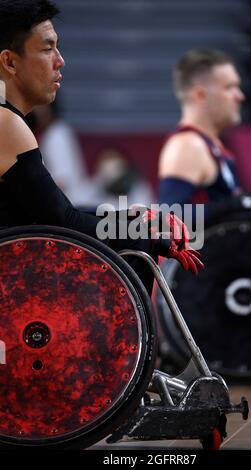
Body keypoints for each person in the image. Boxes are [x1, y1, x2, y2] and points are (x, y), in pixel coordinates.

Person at [0, 0, 202, 295]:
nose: (60, 60)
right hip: (15, 288)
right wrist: (142, 231)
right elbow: (63, 222)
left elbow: (54, 214)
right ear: (10, 62)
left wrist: (133, 217)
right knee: (137, 246)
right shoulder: (6, 123)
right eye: (47, 49)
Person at [158, 48, 251, 224]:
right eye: (229, 87)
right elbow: (167, 219)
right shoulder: (188, 145)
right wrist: (234, 207)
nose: (240, 96)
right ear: (200, 95)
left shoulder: (211, 146)